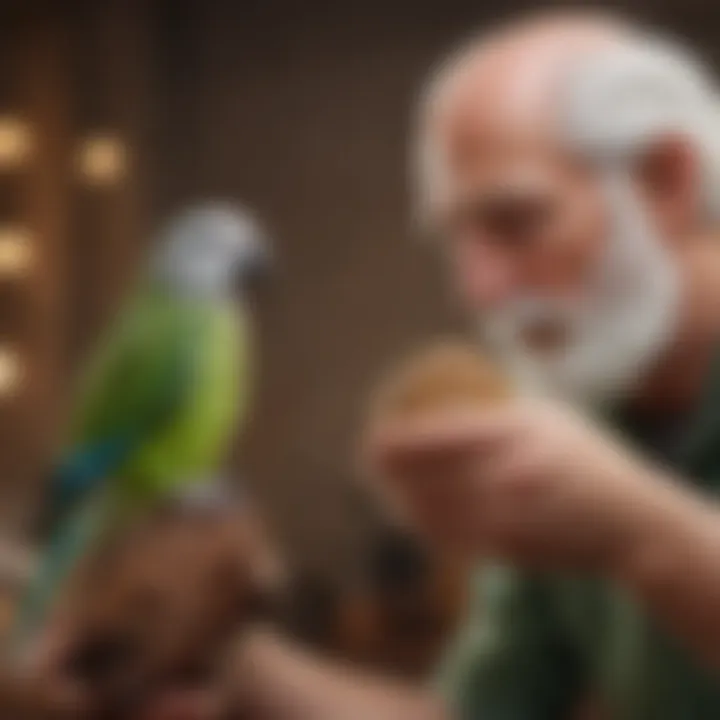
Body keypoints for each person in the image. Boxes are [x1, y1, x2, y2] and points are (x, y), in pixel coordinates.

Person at [149, 10, 720, 719]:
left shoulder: (594, 481)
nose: (476, 290)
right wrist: (229, 656)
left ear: (666, 182)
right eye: (460, 237)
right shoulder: (584, 413)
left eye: (517, 221)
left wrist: (636, 531)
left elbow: (630, 526)